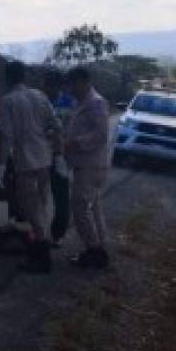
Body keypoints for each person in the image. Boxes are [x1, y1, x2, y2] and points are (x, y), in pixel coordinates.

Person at [0, 61, 60, 273]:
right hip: (44, 158)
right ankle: (40, 248)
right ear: (23, 77)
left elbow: (6, 136)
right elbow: (56, 125)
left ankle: (42, 256)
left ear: (8, 78)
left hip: (24, 161)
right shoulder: (40, 96)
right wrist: (52, 146)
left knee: (29, 207)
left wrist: (0, 166)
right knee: (42, 203)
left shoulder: (8, 101)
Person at [63, 66, 111, 269]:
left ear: (84, 81)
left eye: (73, 84)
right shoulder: (82, 102)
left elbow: (101, 135)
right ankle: (99, 249)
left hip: (90, 165)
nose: (70, 89)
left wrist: (75, 143)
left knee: (80, 208)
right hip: (85, 164)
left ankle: (94, 250)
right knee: (93, 208)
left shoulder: (96, 103)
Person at [43, 69, 76, 247]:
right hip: (39, 155)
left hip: (60, 156)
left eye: (51, 85)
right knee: (37, 198)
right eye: (46, 85)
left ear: (59, 86)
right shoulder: (40, 101)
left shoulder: (71, 103)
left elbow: (73, 130)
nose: (48, 88)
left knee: (62, 200)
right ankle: (37, 234)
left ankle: (57, 235)